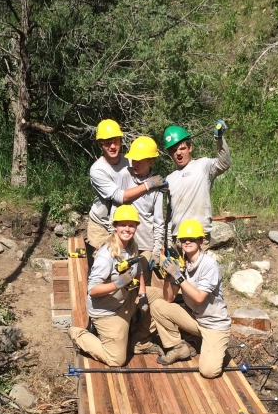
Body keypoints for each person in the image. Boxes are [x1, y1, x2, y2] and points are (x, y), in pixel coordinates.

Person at [70, 205, 155, 366]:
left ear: (136, 227)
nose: (127, 229)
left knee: (157, 297)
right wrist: (118, 283)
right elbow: (92, 290)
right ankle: (78, 334)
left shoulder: (132, 247)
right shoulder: (106, 255)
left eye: (131, 225)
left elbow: (139, 272)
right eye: (123, 225)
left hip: (125, 300)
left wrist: (143, 296)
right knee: (117, 359)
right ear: (115, 227)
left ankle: (139, 341)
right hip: (106, 311)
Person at [150, 219, 231, 378]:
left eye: (192, 239)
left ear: (200, 241)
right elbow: (168, 299)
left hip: (214, 325)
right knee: (158, 305)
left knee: (208, 372)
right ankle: (178, 346)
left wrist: (178, 276)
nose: (187, 242)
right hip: (195, 319)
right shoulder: (181, 264)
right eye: (183, 240)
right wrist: (168, 276)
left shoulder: (209, 265)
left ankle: (209, 344)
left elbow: (199, 297)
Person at [87, 119, 166, 254]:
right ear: (100, 144)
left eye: (115, 141)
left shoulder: (130, 161)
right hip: (101, 225)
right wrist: (149, 184)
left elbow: (144, 169)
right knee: (102, 263)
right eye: (107, 143)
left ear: (120, 141)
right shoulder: (98, 170)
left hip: (123, 225)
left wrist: (157, 186)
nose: (112, 146)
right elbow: (120, 197)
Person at [162, 119, 230, 247]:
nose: (178, 153)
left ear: (190, 148)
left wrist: (219, 138)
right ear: (170, 154)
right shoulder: (169, 179)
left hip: (198, 236)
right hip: (178, 239)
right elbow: (169, 215)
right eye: (174, 150)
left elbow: (224, 163)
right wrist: (168, 243)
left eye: (182, 148)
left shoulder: (203, 166)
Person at [122, 135, 165, 283]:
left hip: (145, 245)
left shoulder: (157, 186)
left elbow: (159, 221)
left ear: (151, 161)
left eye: (140, 161)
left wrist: (156, 251)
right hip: (125, 241)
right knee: (123, 282)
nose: (135, 163)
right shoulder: (125, 176)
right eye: (133, 159)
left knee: (142, 285)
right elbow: (116, 205)